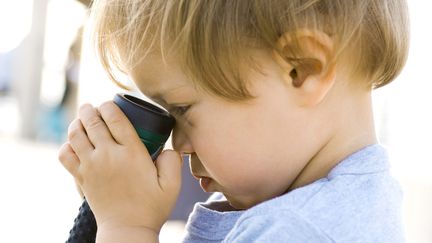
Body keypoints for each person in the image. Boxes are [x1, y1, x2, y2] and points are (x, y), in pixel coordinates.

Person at [58, 0, 409, 242]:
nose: (177, 145)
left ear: (300, 70)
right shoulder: (339, 207)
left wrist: (126, 225)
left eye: (182, 109)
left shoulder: (294, 231)